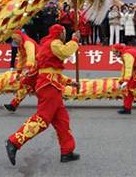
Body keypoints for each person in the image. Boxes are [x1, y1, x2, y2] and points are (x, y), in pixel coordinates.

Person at [6, 24, 81, 166]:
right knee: (42, 119)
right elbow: (66, 52)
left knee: (62, 120)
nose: (65, 35)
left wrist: (70, 82)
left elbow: (52, 70)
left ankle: (67, 151)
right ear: (60, 33)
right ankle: (14, 141)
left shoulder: (48, 45)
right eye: (64, 33)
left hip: (51, 84)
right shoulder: (54, 43)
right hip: (49, 86)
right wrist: (75, 40)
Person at [4, 30, 40, 112]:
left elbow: (31, 56)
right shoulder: (20, 44)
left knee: (26, 84)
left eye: (15, 39)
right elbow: (21, 58)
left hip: (38, 63)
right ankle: (47, 103)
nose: (14, 41)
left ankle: (14, 104)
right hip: (35, 65)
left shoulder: (27, 43)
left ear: (20, 37)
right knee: (34, 86)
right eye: (13, 39)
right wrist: (18, 72)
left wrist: (28, 69)